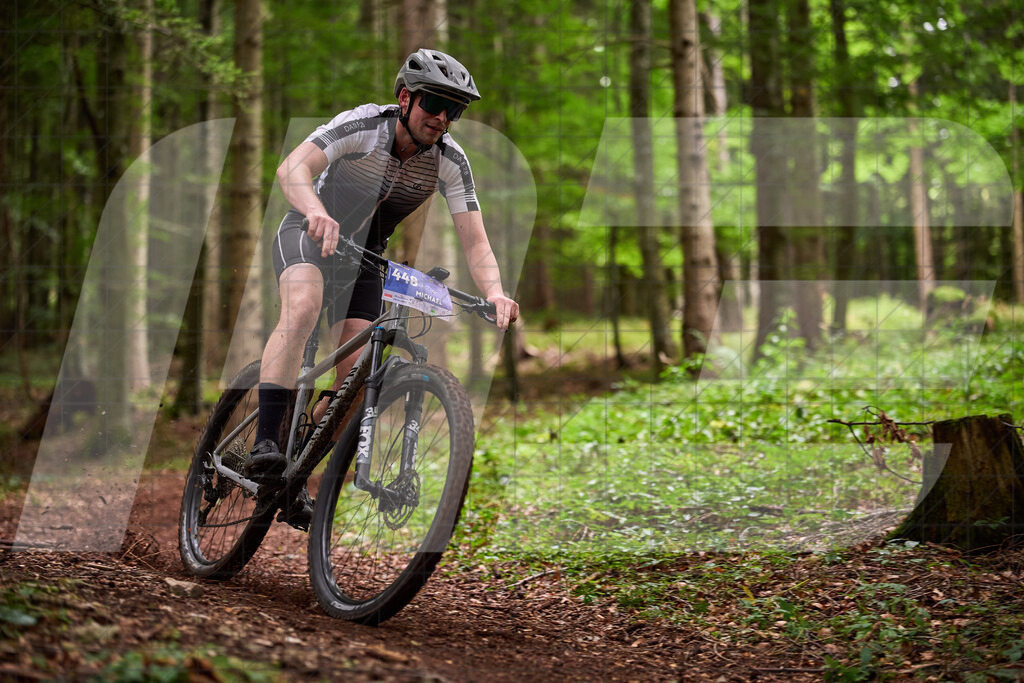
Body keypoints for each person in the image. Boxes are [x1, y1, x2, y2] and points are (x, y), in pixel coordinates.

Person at [245, 49, 519, 526]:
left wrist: (495, 292)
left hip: (366, 256)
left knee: (355, 378)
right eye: (434, 103)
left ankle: (297, 473)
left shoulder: (450, 160)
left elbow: (476, 241)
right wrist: (314, 210)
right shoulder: (365, 125)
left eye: (454, 110)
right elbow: (293, 168)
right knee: (304, 306)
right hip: (309, 232)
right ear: (406, 97)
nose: (442, 118)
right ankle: (266, 440)